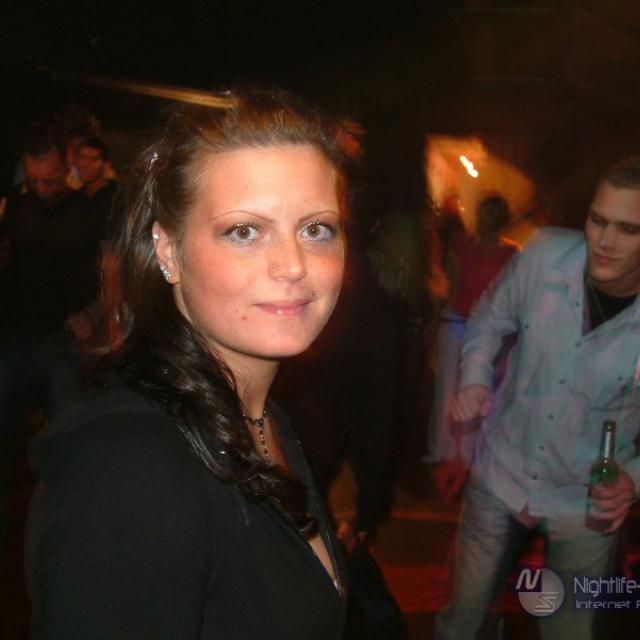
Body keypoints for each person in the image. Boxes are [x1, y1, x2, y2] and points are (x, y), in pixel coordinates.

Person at [27, 88, 356, 639]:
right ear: (167, 249)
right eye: (245, 231)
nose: (294, 265)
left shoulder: (265, 416)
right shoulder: (129, 468)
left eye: (316, 228)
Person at [434, 156, 640, 639]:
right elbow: (489, 319)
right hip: (501, 473)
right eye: (598, 220)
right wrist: (475, 379)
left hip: (583, 504)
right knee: (463, 619)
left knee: (568, 631)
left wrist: (633, 478)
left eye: (629, 229)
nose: (605, 241)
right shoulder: (545, 256)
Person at [0, 122, 102, 567]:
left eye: (51, 179)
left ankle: (67, 550)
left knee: (69, 450)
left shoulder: (91, 210)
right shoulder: (14, 207)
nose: (42, 188)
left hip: (64, 343)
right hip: (15, 338)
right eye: (35, 180)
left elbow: (112, 272)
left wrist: (94, 315)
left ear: (67, 166)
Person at [423, 195, 517, 469]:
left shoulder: (510, 254)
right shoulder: (462, 244)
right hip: (455, 322)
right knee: (446, 390)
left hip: (488, 332)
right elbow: (450, 285)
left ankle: (466, 455)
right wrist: (435, 321)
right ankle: (442, 450)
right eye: (482, 212)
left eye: (489, 214)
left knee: (476, 388)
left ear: (500, 220)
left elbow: (510, 299)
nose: (482, 219)